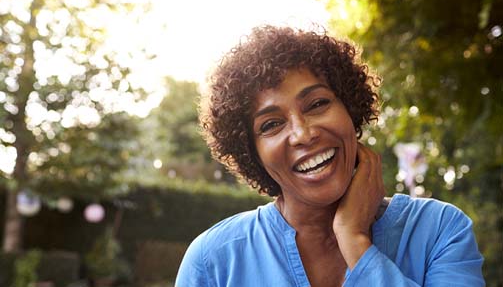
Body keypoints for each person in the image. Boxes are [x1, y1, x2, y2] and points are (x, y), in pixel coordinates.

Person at [175, 25, 484, 286]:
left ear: (350, 109)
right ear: (252, 152)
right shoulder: (213, 261)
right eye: (271, 124)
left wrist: (354, 241)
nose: (303, 133)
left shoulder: (440, 231)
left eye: (317, 104)